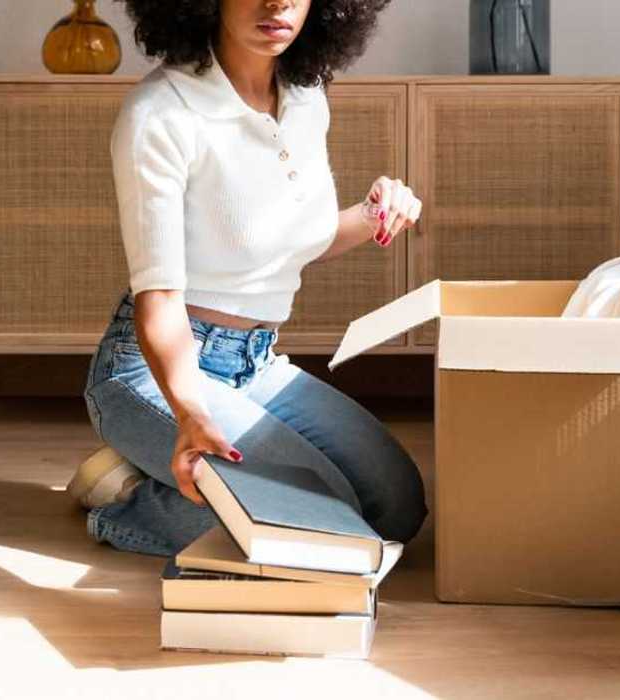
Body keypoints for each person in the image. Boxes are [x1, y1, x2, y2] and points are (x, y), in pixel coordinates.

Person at [72, 0, 427, 556]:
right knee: (330, 520)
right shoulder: (161, 114)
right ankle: (126, 502)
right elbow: (159, 299)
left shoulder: (306, 99)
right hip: (155, 372)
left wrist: (374, 213)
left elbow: (285, 244)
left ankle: (183, 479)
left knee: (398, 507)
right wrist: (190, 412)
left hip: (254, 365)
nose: (278, 1)